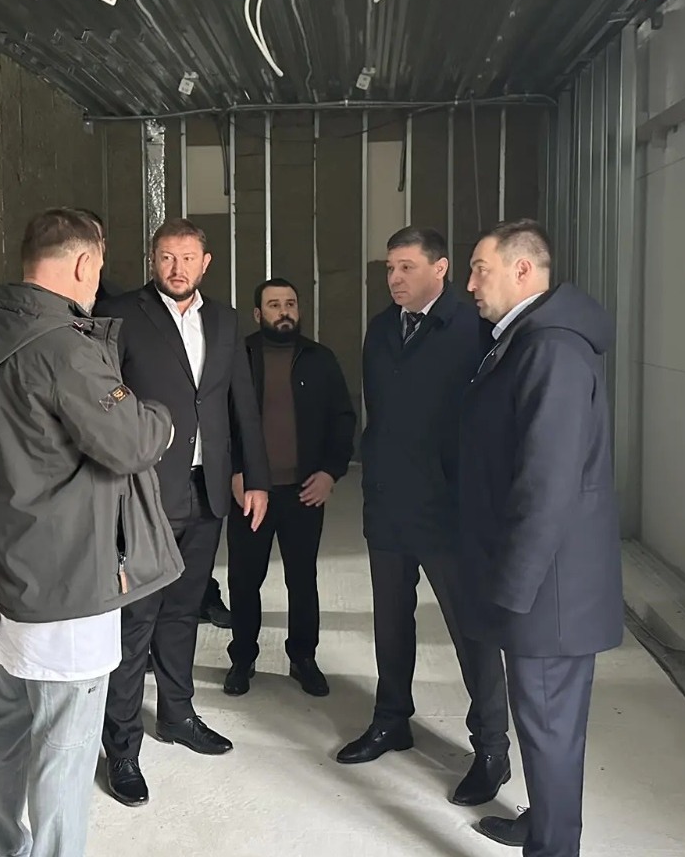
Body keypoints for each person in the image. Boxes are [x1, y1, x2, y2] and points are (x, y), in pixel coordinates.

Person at [0, 208, 182, 857]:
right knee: (65, 750)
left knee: (6, 724)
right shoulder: (64, 346)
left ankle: (2, 849)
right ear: (82, 262)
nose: (98, 278)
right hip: (71, 580)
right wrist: (159, 416)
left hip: (2, 573)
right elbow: (131, 442)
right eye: (98, 266)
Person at [460, 219, 624, 853]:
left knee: (550, 726)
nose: (471, 284)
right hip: (543, 582)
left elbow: (547, 484)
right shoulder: (526, 339)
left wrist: (511, 589)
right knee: (543, 727)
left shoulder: (550, 349)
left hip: (548, 591)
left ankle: (554, 846)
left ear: (522, 270)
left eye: (480, 269)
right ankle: (545, 820)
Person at [94, 217, 271, 807]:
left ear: (205, 262)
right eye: (167, 257)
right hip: (144, 491)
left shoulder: (224, 320)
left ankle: (176, 714)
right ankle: (122, 747)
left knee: (183, 611)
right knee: (136, 620)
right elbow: (105, 401)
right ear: (153, 259)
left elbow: (240, 402)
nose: (177, 268)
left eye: (188, 258)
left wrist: (255, 477)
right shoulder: (121, 314)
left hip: (207, 489)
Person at [336, 226, 511, 809]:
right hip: (389, 504)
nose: (394, 279)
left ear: (440, 269)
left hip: (449, 511)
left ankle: (491, 748)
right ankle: (391, 720)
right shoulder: (383, 329)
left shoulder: (473, 328)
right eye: (389, 268)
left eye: (406, 267)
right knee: (392, 623)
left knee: (471, 631)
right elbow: (381, 416)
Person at [223, 277, 355, 698]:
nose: (284, 311)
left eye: (291, 304)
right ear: (258, 313)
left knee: (302, 579)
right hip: (251, 492)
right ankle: (243, 658)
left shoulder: (319, 359)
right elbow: (220, 420)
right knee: (245, 580)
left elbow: (342, 418)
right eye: (274, 304)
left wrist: (330, 472)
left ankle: (303, 658)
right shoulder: (238, 357)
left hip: (303, 492)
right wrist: (235, 471)